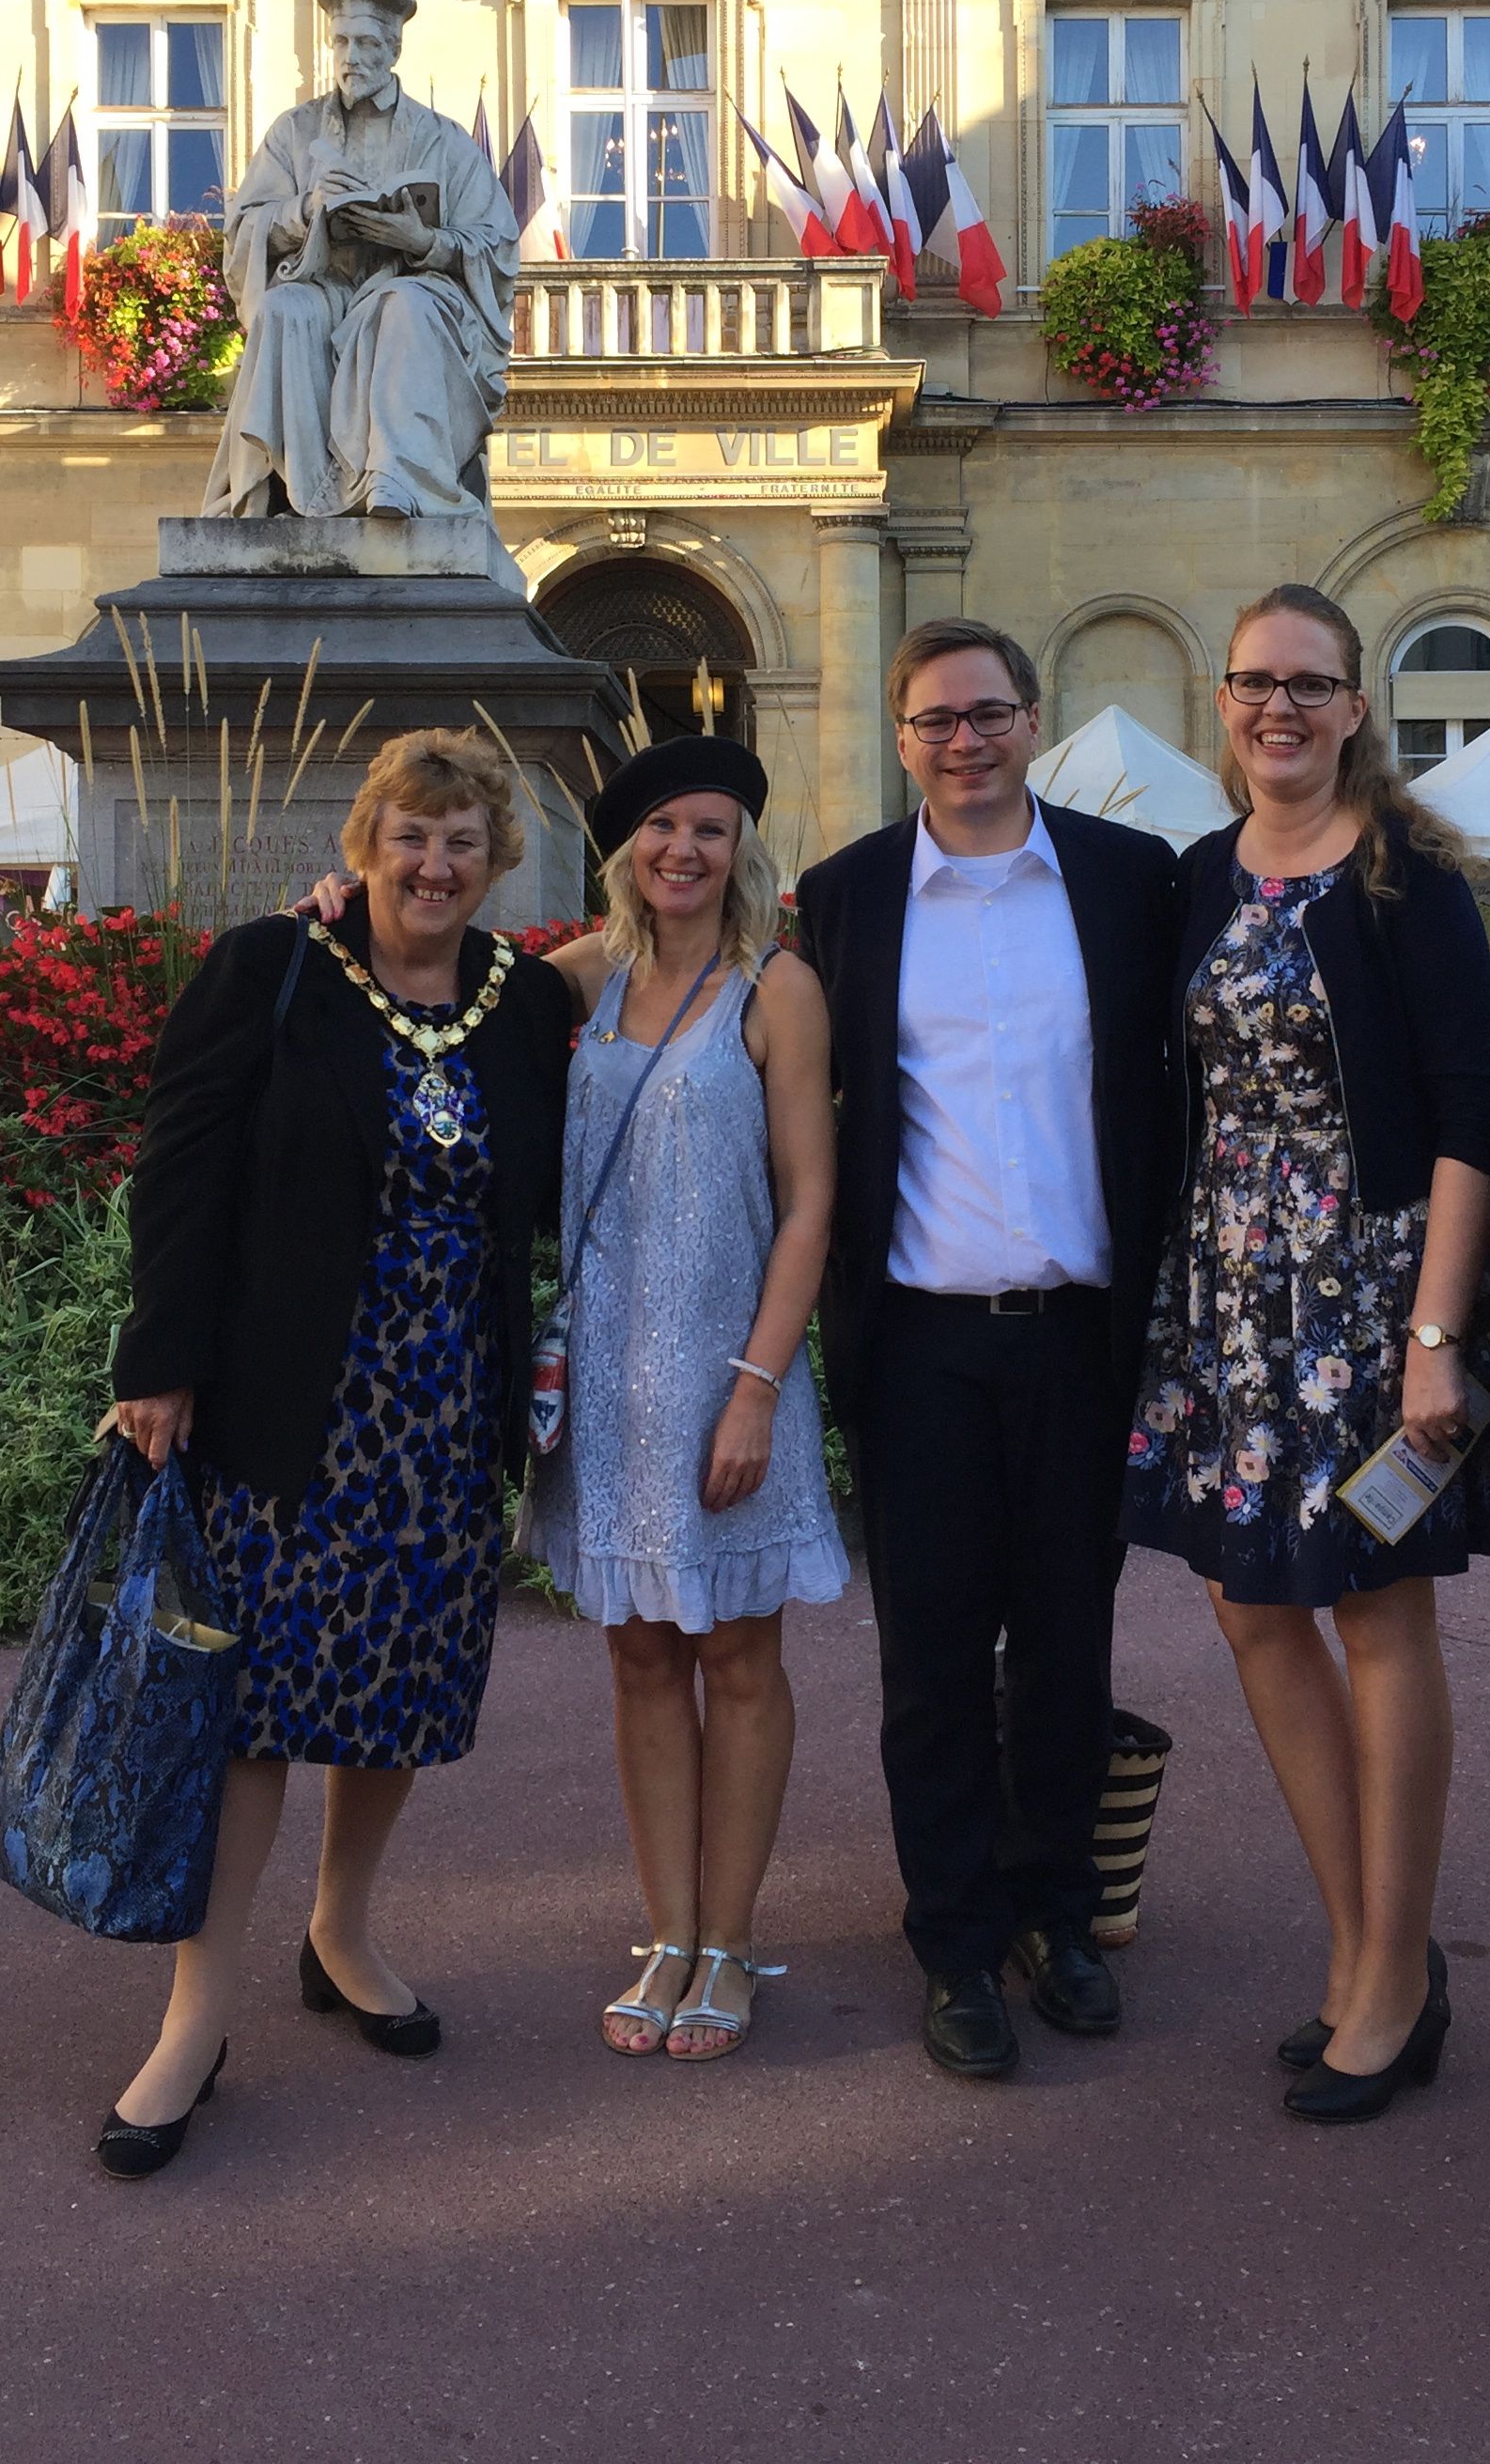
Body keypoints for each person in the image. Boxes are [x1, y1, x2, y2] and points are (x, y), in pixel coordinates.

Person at [98, 727, 570, 2177]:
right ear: (364, 846)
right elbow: (181, 1168)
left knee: (397, 1686)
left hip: (442, 1404)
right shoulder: (274, 969)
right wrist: (160, 1363)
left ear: (497, 864)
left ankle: (344, 1933)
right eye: (410, 837)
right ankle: (196, 2016)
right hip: (289, 1399)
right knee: (251, 1705)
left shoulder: (525, 1000)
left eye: (464, 844)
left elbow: (648, 969)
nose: (435, 866)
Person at [1123, 583, 1490, 2123]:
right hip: (1224, 1289)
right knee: (1245, 1605)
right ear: (1220, 704)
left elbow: (1470, 1116)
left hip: (1365, 1293)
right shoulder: (1193, 877)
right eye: (1250, 681)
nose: (1275, 705)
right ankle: (1362, 1943)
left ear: (1355, 707)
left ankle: (1392, 1971)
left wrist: (1434, 1340)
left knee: (1374, 1607)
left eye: (1308, 683)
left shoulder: (1408, 878)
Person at [794, 620, 1179, 2081]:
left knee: (1070, 1649)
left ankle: (1057, 1914)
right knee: (934, 1662)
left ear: (1034, 723)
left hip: (1081, 1337)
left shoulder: (1130, 882)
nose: (964, 742)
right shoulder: (843, 899)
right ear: (900, 738)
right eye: (934, 721)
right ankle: (954, 1939)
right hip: (923, 1347)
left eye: (989, 715)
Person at [525, 739, 844, 2060]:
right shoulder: (575, 986)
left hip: (729, 1370)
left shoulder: (776, 989)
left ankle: (728, 1940)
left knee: (742, 1656)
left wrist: (758, 1389)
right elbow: (407, 989)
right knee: (641, 1653)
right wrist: (323, 916)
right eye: (662, 828)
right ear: (623, 849)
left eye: (712, 830)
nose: (686, 852)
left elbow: (811, 1197)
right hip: (604, 1376)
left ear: (743, 849)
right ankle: (664, 1931)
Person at [205, 0, 518, 523]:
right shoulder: (294, 133)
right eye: (342, 43)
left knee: (403, 305)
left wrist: (424, 242)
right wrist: (305, 211)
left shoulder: (442, 139)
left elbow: (498, 243)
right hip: (324, 288)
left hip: (411, 291)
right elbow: (245, 228)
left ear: (394, 51)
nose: (351, 58)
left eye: (367, 45)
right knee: (282, 309)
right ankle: (288, 491)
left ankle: (397, 481)